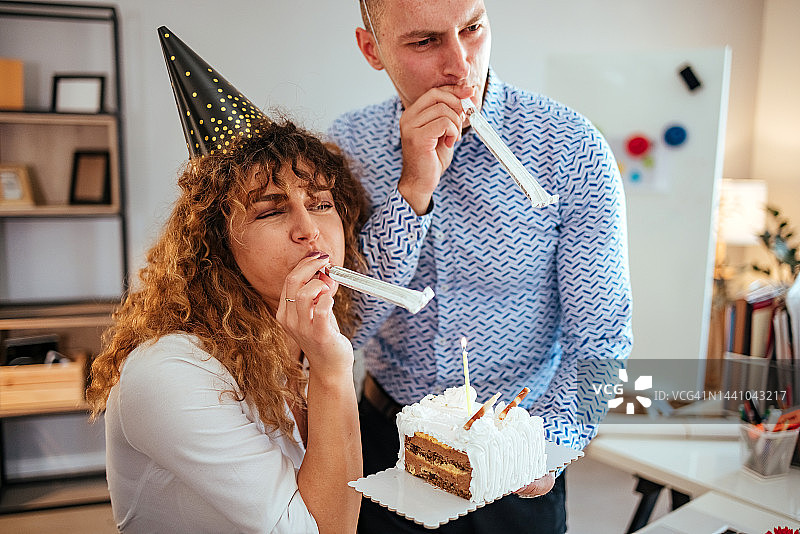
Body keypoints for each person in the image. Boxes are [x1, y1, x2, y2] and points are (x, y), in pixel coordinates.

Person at [327, 1, 633, 532]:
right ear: (371, 49)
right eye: (424, 42)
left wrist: (550, 442)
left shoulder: (572, 148)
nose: (461, 64)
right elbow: (342, 327)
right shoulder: (348, 147)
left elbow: (601, 340)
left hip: (517, 451)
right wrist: (412, 192)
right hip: (387, 440)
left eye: (472, 29)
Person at [86, 28, 367, 534]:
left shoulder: (296, 333)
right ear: (217, 241)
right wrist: (332, 371)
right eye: (272, 211)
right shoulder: (168, 373)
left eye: (322, 203)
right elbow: (324, 530)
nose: (310, 230)